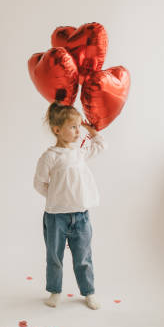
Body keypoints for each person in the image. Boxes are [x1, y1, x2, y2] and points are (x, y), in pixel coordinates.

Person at [33, 102, 106, 310]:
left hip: (81, 216)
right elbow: (39, 183)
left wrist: (92, 132)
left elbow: (101, 147)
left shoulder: (79, 153)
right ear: (57, 130)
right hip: (56, 216)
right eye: (73, 127)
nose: (77, 131)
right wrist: (56, 196)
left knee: (83, 256)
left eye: (78, 127)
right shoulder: (50, 157)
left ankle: (88, 292)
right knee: (54, 256)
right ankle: (55, 291)